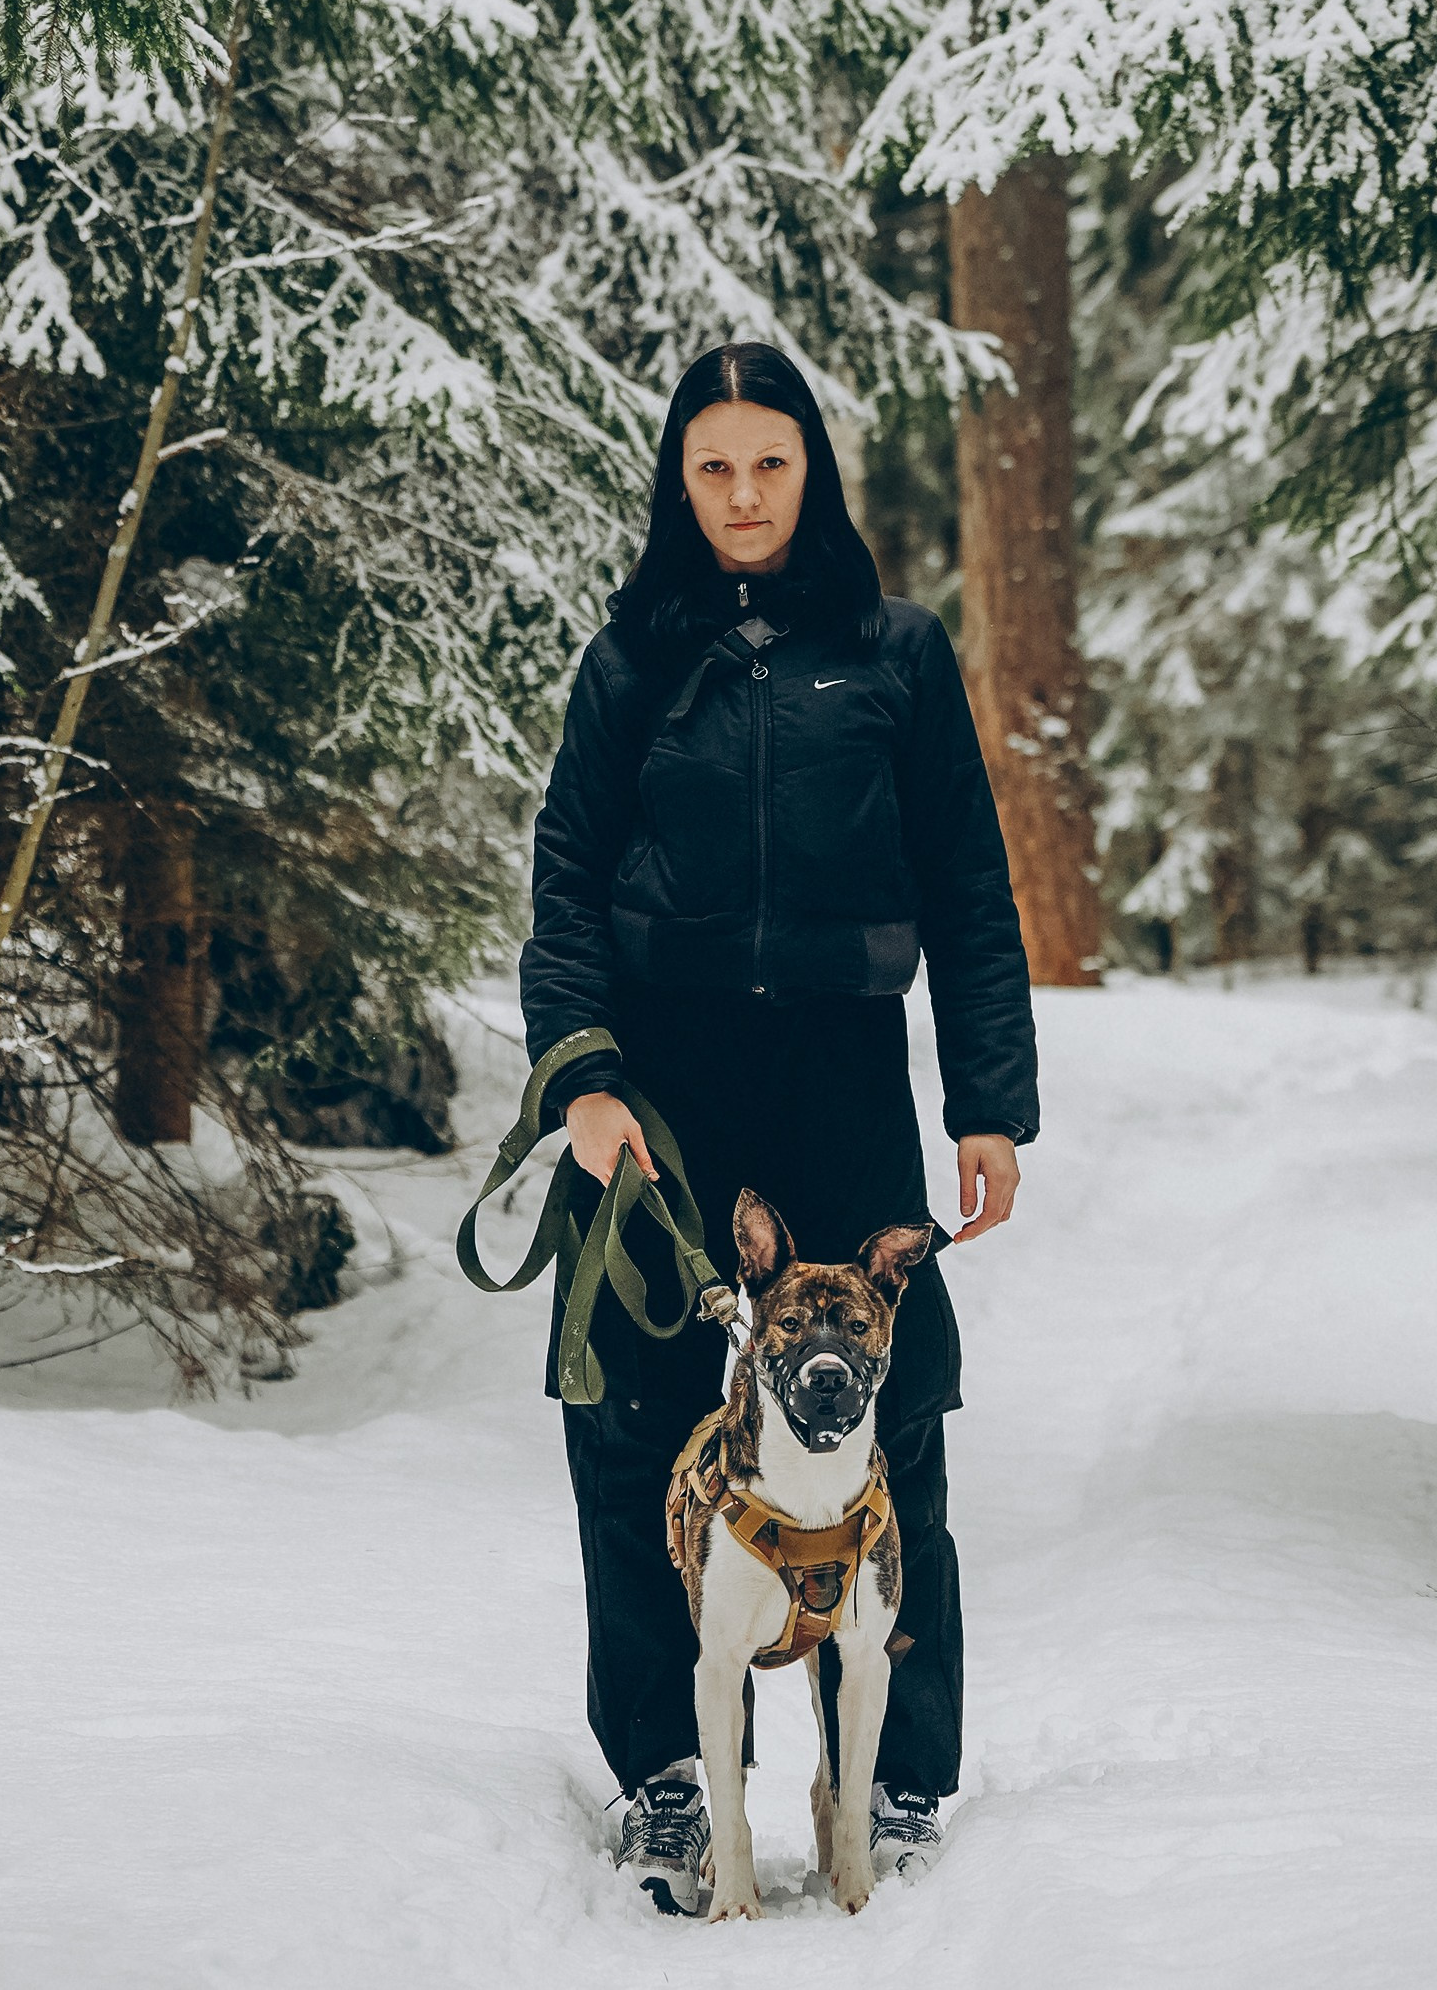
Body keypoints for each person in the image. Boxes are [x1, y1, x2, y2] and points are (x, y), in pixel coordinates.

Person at [520, 339, 1039, 1914]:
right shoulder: (630, 659)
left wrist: (988, 1104)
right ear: (677, 486)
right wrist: (583, 1076)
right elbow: (564, 886)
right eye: (713, 468)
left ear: (811, 472)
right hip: (663, 1088)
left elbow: (967, 885)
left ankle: (888, 1779)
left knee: (898, 1405)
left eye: (769, 464)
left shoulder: (894, 652)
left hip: (838, 1068)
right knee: (634, 1414)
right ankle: (670, 1779)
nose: (742, 496)